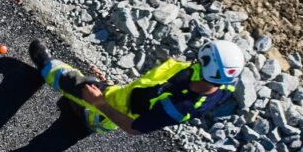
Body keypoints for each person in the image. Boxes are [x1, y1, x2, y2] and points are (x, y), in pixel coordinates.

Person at [28, 38, 245, 135]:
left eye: (200, 62)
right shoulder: (223, 85)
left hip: (123, 105)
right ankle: (92, 119)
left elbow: (134, 128)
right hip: (136, 94)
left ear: (209, 70)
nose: (194, 62)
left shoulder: (178, 107)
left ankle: (49, 68)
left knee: (81, 87)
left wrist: (100, 102)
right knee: (99, 107)